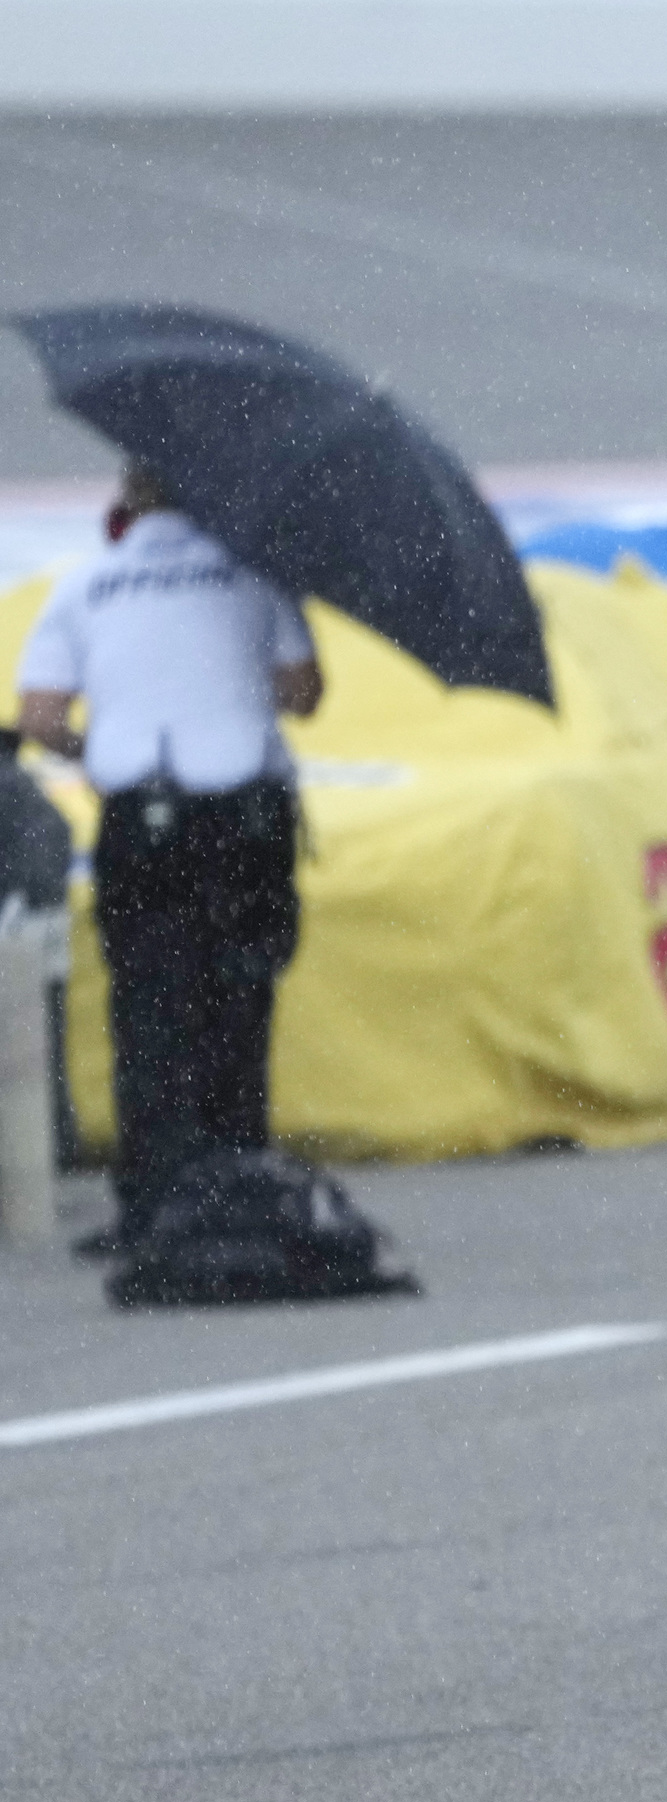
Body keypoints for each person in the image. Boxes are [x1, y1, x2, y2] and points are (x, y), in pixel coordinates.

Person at [12, 463, 318, 1255]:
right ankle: (239, 1180)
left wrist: (104, 741)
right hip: (245, 813)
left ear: (125, 505)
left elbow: (39, 715)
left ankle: (155, 1204)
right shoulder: (255, 576)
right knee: (239, 999)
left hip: (143, 816)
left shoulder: (86, 586)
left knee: (150, 1007)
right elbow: (304, 690)